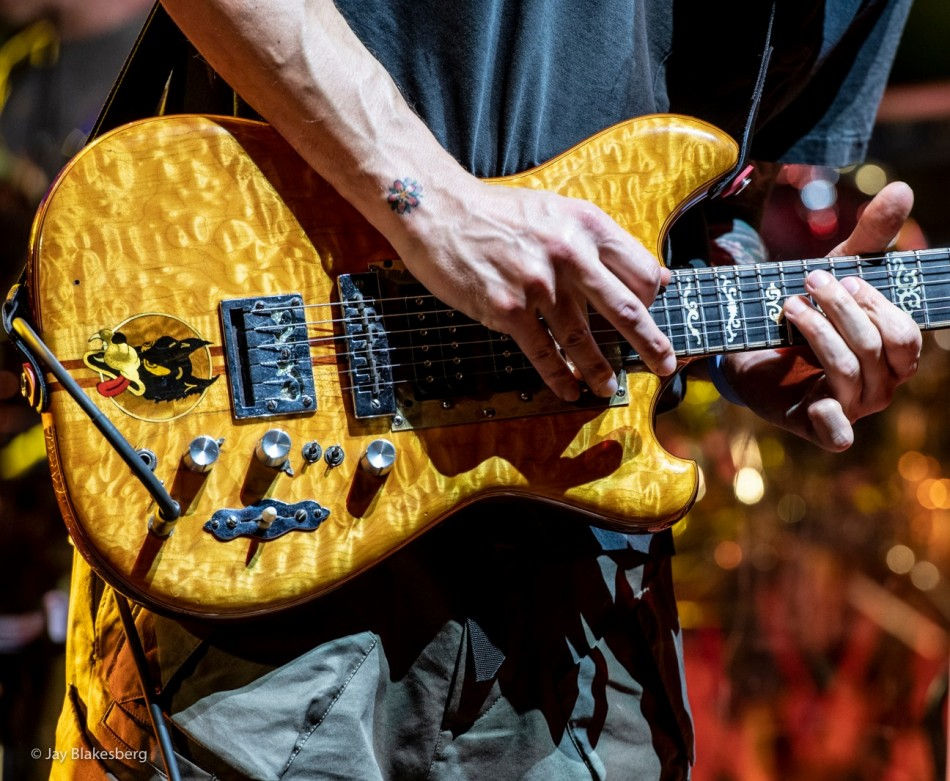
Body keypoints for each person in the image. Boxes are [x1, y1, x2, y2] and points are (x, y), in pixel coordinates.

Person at [47, 1, 920, 779]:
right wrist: (432, 203)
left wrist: (751, 336)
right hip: (272, 522)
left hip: (581, 575)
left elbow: (723, 188)